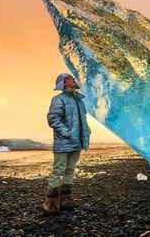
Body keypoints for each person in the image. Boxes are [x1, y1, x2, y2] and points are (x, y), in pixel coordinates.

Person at [43, 73, 91, 215]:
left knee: (70, 169)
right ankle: (50, 202)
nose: (74, 80)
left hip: (77, 142)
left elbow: (83, 119)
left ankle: (65, 200)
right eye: (71, 79)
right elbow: (53, 119)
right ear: (63, 83)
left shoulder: (79, 100)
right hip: (64, 142)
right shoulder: (58, 99)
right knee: (58, 170)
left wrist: (86, 131)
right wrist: (68, 133)